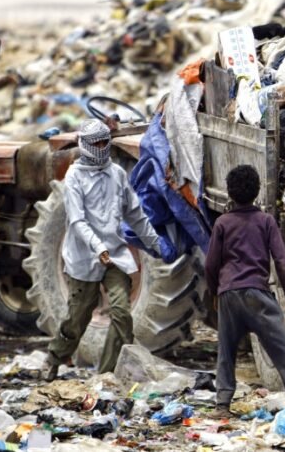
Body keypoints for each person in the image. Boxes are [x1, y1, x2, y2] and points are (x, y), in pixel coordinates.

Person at [45, 119, 166, 381]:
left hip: (115, 256)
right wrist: (98, 247)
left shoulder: (117, 174)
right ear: (86, 145)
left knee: (122, 313)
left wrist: (155, 242)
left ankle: (107, 373)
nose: (101, 148)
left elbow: (135, 214)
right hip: (84, 257)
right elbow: (77, 220)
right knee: (77, 318)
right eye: (96, 143)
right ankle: (54, 359)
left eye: (104, 142)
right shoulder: (74, 177)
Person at [204, 164, 285, 418]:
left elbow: (211, 264)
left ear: (229, 192)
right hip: (258, 293)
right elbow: (281, 261)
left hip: (229, 293)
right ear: (257, 191)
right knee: (280, 347)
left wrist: (215, 292)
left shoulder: (222, 223)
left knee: (226, 350)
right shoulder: (266, 221)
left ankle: (222, 404)